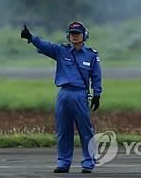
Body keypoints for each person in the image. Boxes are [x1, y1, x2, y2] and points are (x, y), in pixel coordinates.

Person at [21, 22, 103, 174]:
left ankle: (88, 163)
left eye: (78, 33)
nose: (74, 36)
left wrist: (97, 94)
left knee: (85, 131)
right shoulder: (61, 51)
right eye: (72, 33)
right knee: (63, 130)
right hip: (64, 93)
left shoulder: (91, 55)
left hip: (80, 94)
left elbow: (96, 76)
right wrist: (31, 38)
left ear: (84, 35)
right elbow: (46, 46)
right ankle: (63, 163)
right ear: (68, 35)